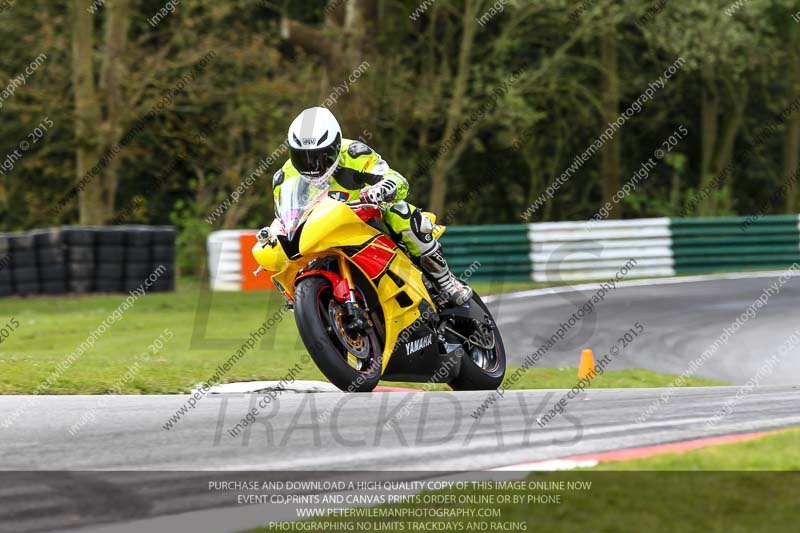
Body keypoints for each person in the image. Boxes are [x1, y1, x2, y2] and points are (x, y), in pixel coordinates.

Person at [268, 106, 472, 306]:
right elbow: (286, 216)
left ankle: (446, 281)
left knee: (399, 212)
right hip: (323, 235)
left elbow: (398, 180)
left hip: (366, 219)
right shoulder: (284, 177)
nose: (313, 166)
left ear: (336, 146)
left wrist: (383, 189)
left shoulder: (355, 154)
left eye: (321, 157)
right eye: (302, 157)